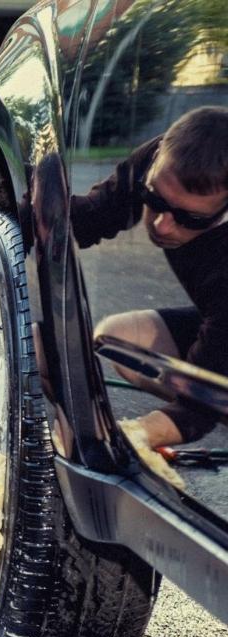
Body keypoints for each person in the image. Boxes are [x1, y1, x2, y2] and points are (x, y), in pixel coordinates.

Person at [71, 106, 228, 448]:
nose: (161, 225)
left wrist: (124, 440)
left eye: (190, 219)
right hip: (220, 326)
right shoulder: (161, 162)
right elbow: (90, 217)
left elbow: (200, 402)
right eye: (155, 200)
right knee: (121, 341)